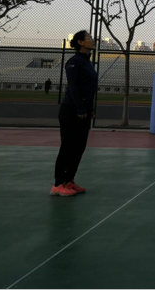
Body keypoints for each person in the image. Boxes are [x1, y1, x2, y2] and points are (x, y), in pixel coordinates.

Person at [51, 30, 98, 197]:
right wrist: (80, 108)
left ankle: (69, 180)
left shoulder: (87, 62)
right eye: (89, 38)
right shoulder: (74, 62)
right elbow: (73, 86)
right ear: (80, 42)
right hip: (71, 109)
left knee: (79, 147)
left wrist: (89, 108)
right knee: (67, 147)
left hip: (83, 110)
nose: (93, 40)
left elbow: (88, 89)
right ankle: (58, 184)